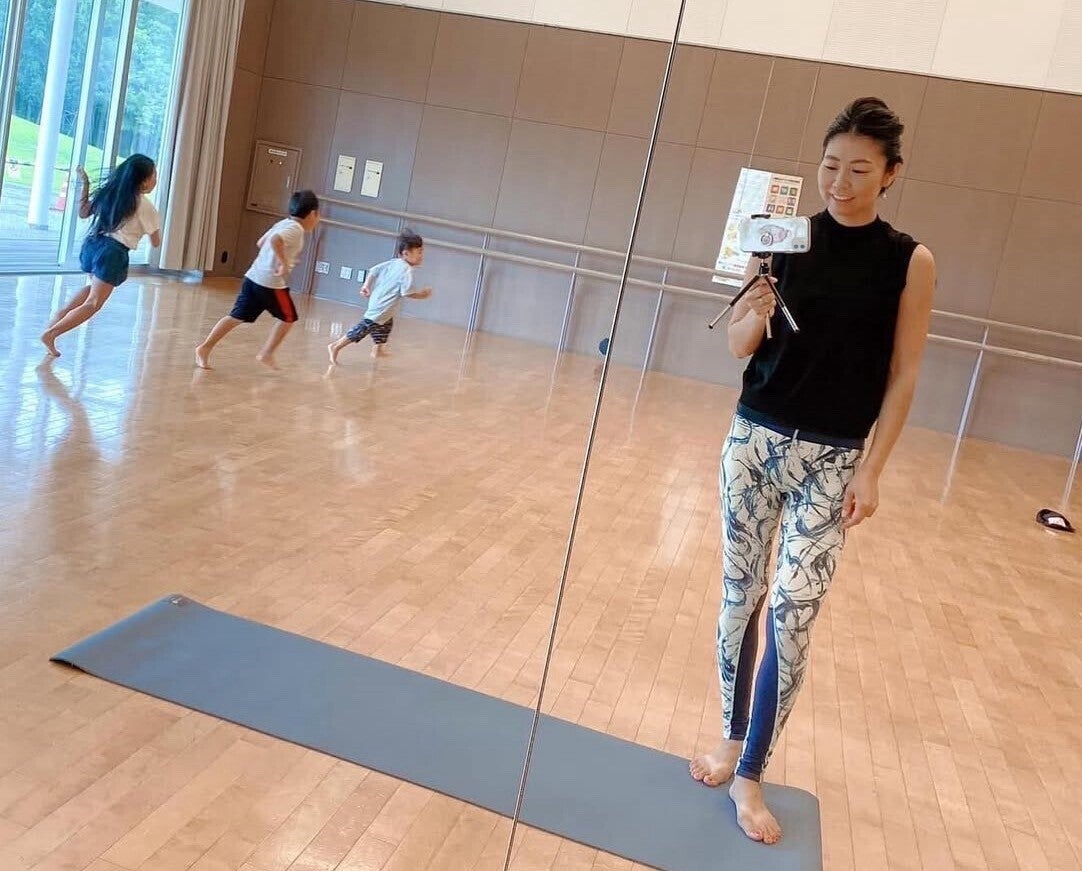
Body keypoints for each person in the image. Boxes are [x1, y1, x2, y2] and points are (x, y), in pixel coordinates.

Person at [689, 97, 936, 845]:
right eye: (830, 166)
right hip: (753, 441)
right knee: (741, 597)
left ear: (890, 175)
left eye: (859, 170)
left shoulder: (909, 261)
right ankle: (731, 738)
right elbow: (737, 344)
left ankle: (750, 772)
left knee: (793, 613)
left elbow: (904, 374)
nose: (839, 183)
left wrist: (874, 470)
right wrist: (756, 308)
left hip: (833, 460)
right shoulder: (780, 236)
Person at [41, 155, 161, 356]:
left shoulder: (111, 194)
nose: (155, 180)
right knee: (94, 303)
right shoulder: (146, 206)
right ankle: (52, 333)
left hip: (93, 245)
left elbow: (83, 212)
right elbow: (156, 242)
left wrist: (86, 184)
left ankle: (57, 319)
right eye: (154, 175)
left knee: (91, 290)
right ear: (143, 181)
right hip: (112, 253)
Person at [195, 190, 320, 370]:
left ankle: (205, 347)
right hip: (271, 285)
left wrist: (281, 257)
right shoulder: (296, 229)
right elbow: (275, 241)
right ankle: (267, 353)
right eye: (317, 216)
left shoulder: (283, 223)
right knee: (289, 318)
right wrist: (284, 263)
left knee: (235, 316)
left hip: (253, 277)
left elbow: (261, 242)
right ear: (312, 214)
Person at [327, 229, 432, 364]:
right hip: (382, 308)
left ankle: (378, 349)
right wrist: (422, 295)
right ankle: (336, 346)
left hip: (379, 303)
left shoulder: (394, 262)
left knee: (386, 324)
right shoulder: (407, 271)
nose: (422, 256)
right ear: (406, 253)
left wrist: (366, 285)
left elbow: (373, 270)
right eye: (419, 252)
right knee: (363, 329)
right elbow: (407, 292)